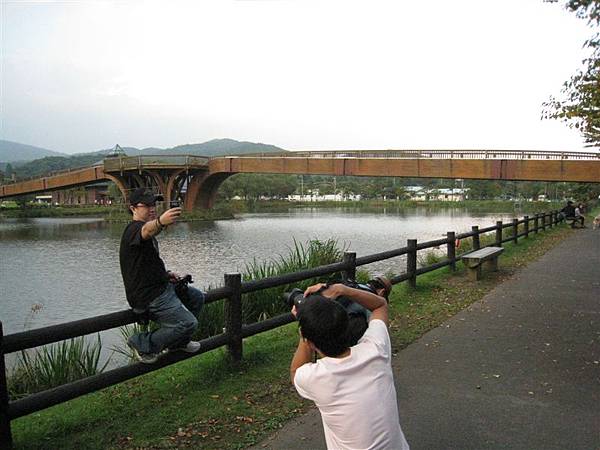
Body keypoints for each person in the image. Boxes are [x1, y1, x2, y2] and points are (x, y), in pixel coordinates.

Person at [290, 282, 410, 450]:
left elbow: (295, 371)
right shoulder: (376, 349)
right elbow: (380, 305)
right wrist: (342, 289)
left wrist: (306, 324)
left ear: (308, 341)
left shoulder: (314, 378)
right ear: (347, 323)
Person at [119, 188, 205, 363]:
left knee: (197, 298)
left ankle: (178, 343)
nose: (152, 208)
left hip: (162, 286)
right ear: (133, 208)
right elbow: (148, 231)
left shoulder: (144, 233)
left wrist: (167, 275)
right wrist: (161, 221)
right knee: (188, 323)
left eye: (154, 204)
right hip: (149, 296)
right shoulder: (133, 230)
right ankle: (142, 343)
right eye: (147, 205)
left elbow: (145, 264)